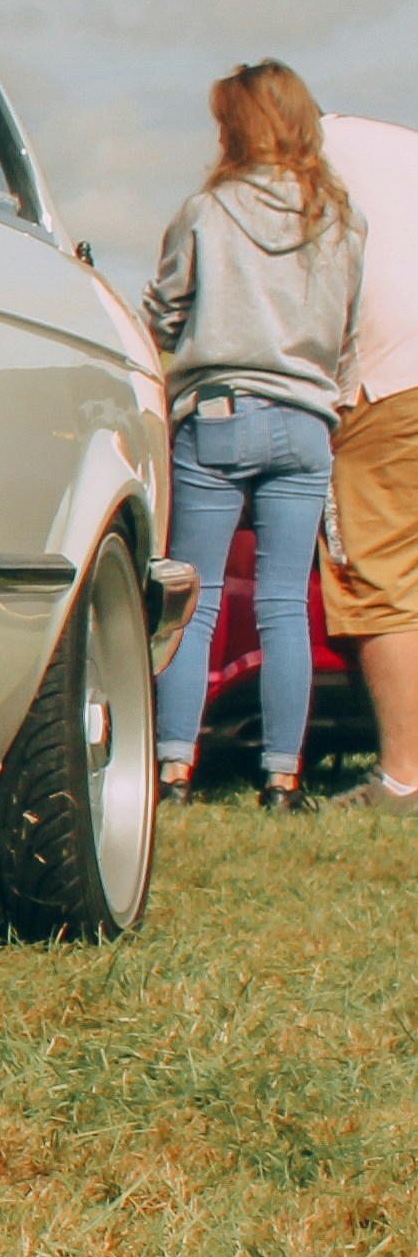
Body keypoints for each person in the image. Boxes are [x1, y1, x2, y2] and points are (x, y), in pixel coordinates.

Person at [148, 61, 364, 811]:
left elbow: (164, 312)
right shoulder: (339, 219)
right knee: (280, 602)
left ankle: (172, 768)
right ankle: (281, 777)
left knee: (193, 602)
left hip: (216, 414)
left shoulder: (204, 212)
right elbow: (346, 330)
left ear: (232, 128)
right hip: (305, 420)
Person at [320, 87, 418, 813]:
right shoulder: (398, 149)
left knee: (376, 572)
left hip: (386, 381)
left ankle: (403, 777)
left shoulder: (301, 162)